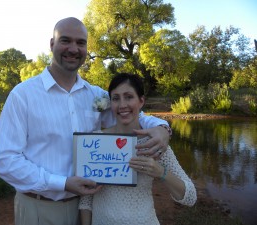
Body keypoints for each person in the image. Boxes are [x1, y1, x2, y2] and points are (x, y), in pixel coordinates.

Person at [0, 17, 171, 225]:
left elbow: (128, 113)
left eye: (81, 43)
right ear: (52, 44)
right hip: (40, 208)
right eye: (65, 40)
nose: (73, 49)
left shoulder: (95, 96)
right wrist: (63, 183)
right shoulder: (23, 95)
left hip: (86, 208)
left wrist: (161, 127)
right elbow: (5, 161)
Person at [79, 73, 197, 225]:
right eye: (116, 98)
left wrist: (161, 172)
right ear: (111, 104)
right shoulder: (95, 141)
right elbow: (86, 200)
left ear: (141, 101)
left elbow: (190, 197)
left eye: (129, 97)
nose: (122, 105)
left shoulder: (154, 143)